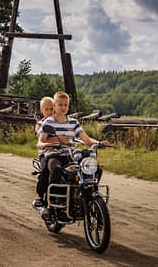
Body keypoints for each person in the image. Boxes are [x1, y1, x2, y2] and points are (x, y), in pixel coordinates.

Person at [36, 91, 110, 219]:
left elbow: (86, 140)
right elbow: (40, 143)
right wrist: (54, 141)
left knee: (91, 169)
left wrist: (99, 142)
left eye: (66, 105)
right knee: (56, 169)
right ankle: (51, 204)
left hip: (69, 155)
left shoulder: (73, 122)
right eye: (60, 105)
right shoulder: (48, 122)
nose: (63, 108)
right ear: (54, 105)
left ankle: (87, 197)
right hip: (53, 155)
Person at [33, 97, 54, 208]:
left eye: (52, 109)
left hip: (58, 152)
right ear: (42, 110)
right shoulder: (40, 124)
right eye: (47, 109)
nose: (50, 112)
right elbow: (40, 134)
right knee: (45, 170)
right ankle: (40, 195)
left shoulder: (58, 121)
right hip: (44, 153)